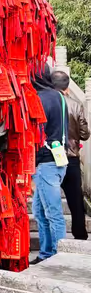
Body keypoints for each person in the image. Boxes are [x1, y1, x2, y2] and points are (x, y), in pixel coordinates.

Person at [32, 67, 69, 262]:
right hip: (58, 158)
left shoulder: (39, 99)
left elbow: (36, 130)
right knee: (39, 210)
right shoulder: (59, 96)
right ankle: (46, 253)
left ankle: (59, 257)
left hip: (46, 162)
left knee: (53, 212)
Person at [51, 69, 90, 240]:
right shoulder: (75, 104)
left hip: (50, 158)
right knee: (75, 200)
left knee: (49, 201)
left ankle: (54, 239)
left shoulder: (48, 103)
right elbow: (85, 133)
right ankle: (80, 235)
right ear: (67, 86)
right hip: (71, 157)